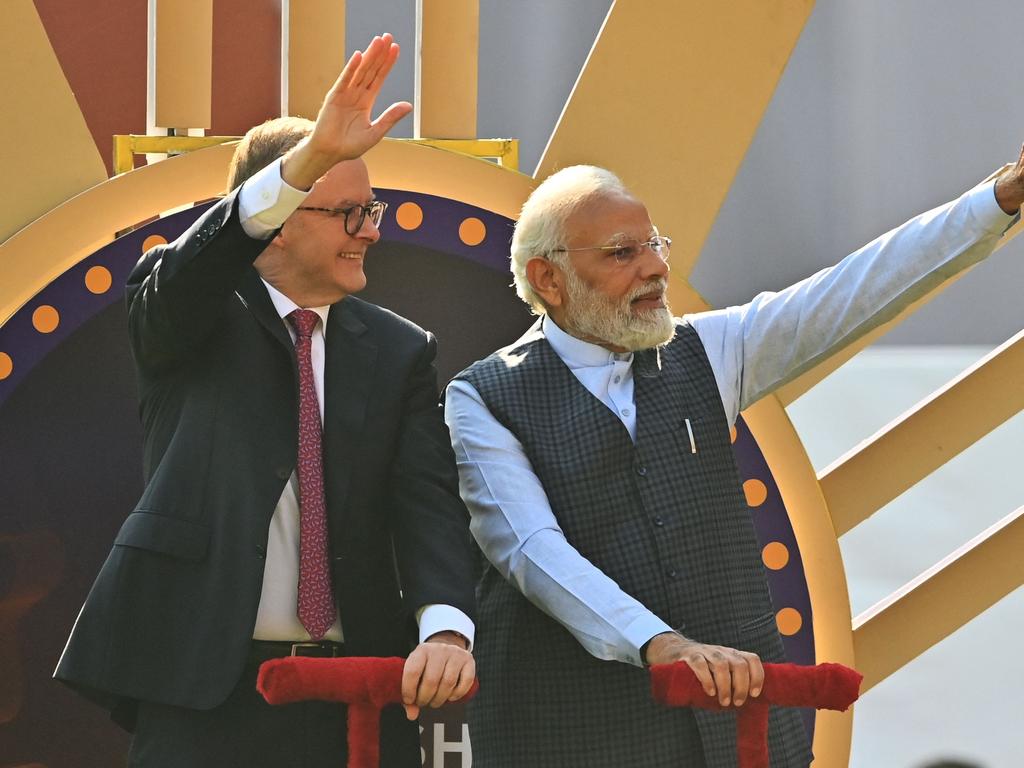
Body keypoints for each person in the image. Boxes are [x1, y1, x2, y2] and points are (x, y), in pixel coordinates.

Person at [445, 151, 1024, 766]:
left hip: (741, 735)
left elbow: (855, 289)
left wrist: (999, 200)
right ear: (548, 279)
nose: (656, 268)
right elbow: (532, 549)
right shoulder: (481, 396)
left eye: (654, 245)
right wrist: (658, 644)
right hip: (572, 737)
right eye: (623, 253)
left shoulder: (709, 348)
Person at [55, 34, 477, 768]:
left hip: (356, 695)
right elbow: (196, 268)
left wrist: (444, 628)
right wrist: (308, 157)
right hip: (201, 686)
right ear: (275, 226)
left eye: (371, 210)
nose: (370, 232)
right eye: (347, 213)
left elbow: (427, 502)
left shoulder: (401, 349)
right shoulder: (189, 311)